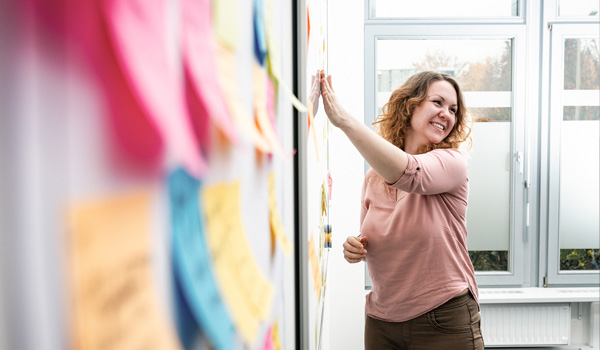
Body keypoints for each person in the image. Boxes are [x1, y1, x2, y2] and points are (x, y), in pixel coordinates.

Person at [319, 70, 484, 350]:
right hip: (382, 321)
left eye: (453, 109)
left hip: (442, 318)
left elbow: (409, 174)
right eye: (438, 102)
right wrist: (355, 247)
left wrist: (344, 122)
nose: (447, 114)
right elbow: (371, 240)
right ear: (410, 105)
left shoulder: (452, 163)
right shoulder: (373, 177)